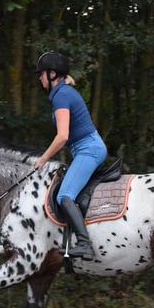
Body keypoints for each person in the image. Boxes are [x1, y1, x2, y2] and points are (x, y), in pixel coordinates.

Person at [33, 50, 108, 259]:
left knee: (64, 195)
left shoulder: (62, 96)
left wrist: (43, 159)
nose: (39, 78)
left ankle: (84, 243)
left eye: (41, 74)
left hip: (89, 149)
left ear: (52, 74)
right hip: (85, 149)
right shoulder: (62, 93)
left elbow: (62, 136)